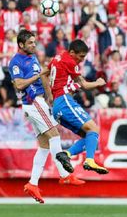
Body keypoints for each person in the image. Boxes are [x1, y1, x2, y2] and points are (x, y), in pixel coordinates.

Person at [8, 30, 85, 204]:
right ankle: (65, 174)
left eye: (34, 42)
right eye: (30, 43)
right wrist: (38, 75)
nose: (34, 45)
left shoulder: (33, 58)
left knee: (43, 145)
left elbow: (43, 76)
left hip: (40, 100)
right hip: (32, 101)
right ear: (21, 45)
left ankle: (33, 183)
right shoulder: (16, 62)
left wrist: (49, 94)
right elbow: (19, 84)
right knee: (55, 135)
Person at [46, 39, 109, 175]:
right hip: (64, 101)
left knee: (90, 135)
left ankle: (66, 154)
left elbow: (45, 73)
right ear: (72, 52)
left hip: (57, 106)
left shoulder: (59, 57)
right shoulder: (69, 61)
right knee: (94, 128)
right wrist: (99, 82)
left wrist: (50, 95)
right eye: (80, 56)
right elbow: (85, 85)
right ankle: (90, 160)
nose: (81, 60)